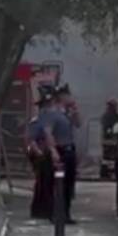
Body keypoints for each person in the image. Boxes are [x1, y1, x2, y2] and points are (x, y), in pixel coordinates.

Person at [46, 83, 79, 223]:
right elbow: (48, 133)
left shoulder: (67, 113)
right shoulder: (53, 113)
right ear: (61, 96)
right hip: (59, 150)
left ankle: (66, 213)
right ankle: (55, 214)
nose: (70, 97)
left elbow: (78, 124)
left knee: (69, 185)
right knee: (58, 184)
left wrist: (75, 112)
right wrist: (53, 150)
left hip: (70, 149)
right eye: (67, 95)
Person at [27, 86, 58, 220]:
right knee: (43, 182)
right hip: (42, 155)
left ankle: (49, 209)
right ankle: (40, 210)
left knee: (52, 183)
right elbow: (32, 140)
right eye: (46, 106)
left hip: (52, 155)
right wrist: (39, 154)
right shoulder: (37, 121)